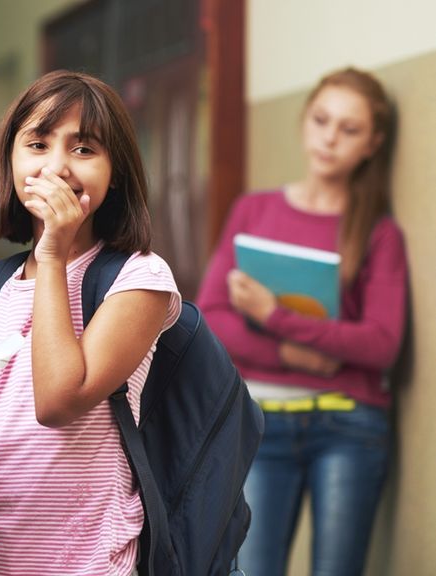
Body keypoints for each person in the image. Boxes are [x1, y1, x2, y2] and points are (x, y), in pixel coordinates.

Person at [0, 70, 182, 576]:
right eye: (37, 144)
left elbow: (58, 400)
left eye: (84, 149)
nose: (57, 166)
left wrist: (52, 254)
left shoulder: (139, 278)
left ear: (115, 170)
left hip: (89, 561)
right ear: (9, 160)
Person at [196, 67, 406, 576]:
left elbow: (380, 344)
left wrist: (273, 316)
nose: (330, 138)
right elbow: (211, 319)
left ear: (373, 144)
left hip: (350, 429)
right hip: (262, 423)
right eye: (321, 120)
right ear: (305, 121)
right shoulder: (254, 209)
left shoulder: (379, 233)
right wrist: (289, 353)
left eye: (349, 129)